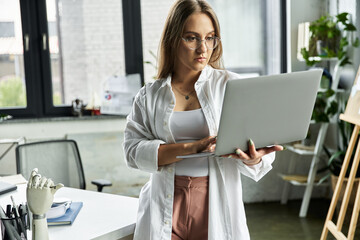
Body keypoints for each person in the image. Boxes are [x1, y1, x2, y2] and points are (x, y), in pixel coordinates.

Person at [123, 0, 283, 239]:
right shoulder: (149, 95)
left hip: (214, 202)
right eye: (191, 38)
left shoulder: (232, 86)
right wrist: (191, 147)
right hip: (164, 203)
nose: (203, 49)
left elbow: (261, 149)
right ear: (173, 39)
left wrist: (254, 158)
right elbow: (132, 152)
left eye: (210, 38)